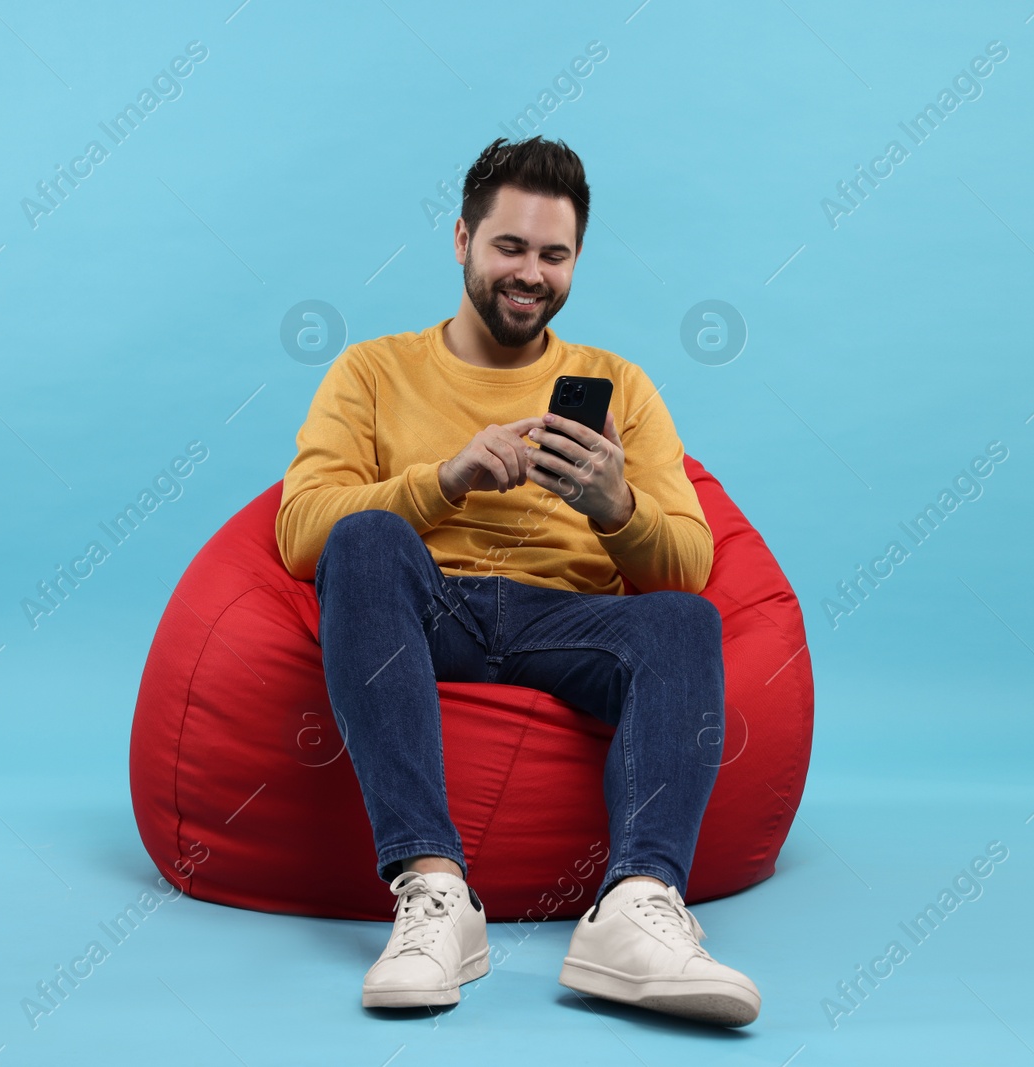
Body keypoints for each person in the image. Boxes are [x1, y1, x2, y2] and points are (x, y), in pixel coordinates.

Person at [275, 136, 759, 1027]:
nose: (529, 273)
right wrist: (444, 480)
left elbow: (690, 561)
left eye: (553, 254)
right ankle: (436, 892)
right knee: (368, 537)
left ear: (575, 261)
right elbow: (302, 532)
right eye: (509, 246)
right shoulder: (373, 371)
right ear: (461, 238)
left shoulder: (619, 385)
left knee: (685, 620)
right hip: (431, 606)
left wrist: (615, 505)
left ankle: (636, 907)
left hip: (567, 623)